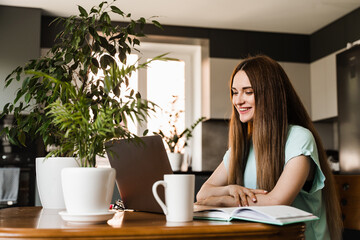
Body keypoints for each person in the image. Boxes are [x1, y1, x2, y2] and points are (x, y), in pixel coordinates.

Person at [196, 55, 342, 240]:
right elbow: (203, 194)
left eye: (248, 92)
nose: (238, 100)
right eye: (234, 92)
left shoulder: (299, 139)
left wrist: (222, 200)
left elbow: (276, 202)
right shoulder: (242, 146)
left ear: (270, 95)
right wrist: (230, 189)